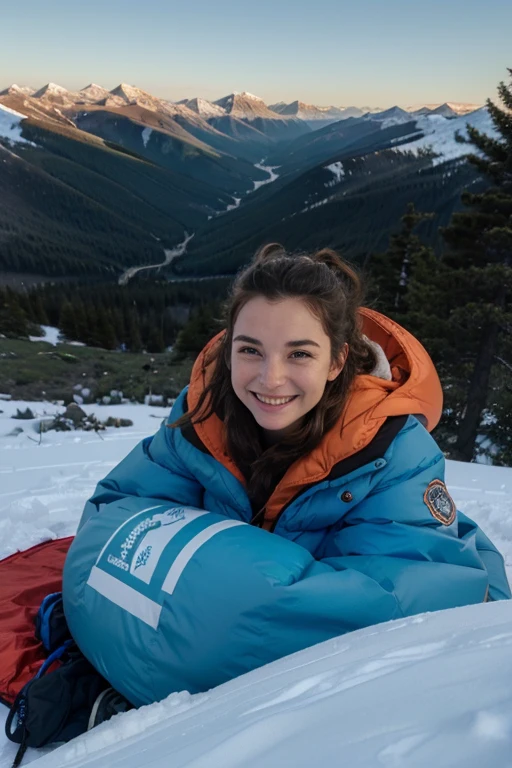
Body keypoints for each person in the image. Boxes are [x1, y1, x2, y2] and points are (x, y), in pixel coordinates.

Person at [64, 243, 510, 709]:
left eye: (299, 354)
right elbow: (113, 515)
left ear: (337, 361)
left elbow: (404, 607)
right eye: (251, 351)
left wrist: (215, 594)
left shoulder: (393, 449)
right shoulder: (201, 416)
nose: (270, 379)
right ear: (228, 351)